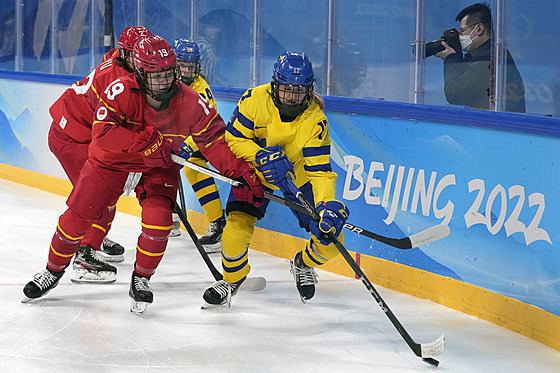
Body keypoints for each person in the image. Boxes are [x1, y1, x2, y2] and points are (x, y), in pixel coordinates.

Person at [22, 35, 263, 314]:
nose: (165, 80)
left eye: (169, 72)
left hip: (158, 165)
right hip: (111, 162)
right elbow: (102, 135)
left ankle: (142, 279)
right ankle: (52, 270)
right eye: (156, 75)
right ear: (139, 73)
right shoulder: (119, 90)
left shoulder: (191, 100)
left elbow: (214, 140)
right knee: (78, 215)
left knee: (159, 222)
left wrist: (240, 171)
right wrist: (143, 143)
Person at [202, 51, 350, 307]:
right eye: (286, 89)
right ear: (274, 85)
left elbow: (321, 171)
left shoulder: (316, 120)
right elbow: (233, 139)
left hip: (297, 178)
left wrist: (326, 206)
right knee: (234, 233)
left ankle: (301, 264)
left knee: (331, 244)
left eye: (299, 91)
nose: (292, 96)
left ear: (309, 90)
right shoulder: (254, 100)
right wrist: (260, 156)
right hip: (254, 173)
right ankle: (232, 279)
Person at [47, 26, 152, 284]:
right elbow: (108, 130)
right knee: (99, 196)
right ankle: (85, 255)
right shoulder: (115, 78)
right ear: (126, 53)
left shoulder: (123, 62)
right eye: (134, 52)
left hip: (78, 132)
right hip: (72, 136)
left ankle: (93, 236)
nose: (140, 57)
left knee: (103, 196)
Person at [169, 38, 226, 254]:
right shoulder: (165, 81)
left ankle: (218, 223)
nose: (185, 71)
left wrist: (185, 145)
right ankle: (171, 215)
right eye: (181, 66)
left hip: (202, 138)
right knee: (157, 163)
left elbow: (206, 126)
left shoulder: (202, 90)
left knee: (195, 169)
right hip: (176, 135)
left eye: (189, 67)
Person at [435, 2, 525, 113]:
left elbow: (454, 94)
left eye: (462, 31)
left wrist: (451, 58)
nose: (460, 36)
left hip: (497, 125)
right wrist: (456, 56)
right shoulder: (489, 53)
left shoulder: (488, 58)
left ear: (479, 29)